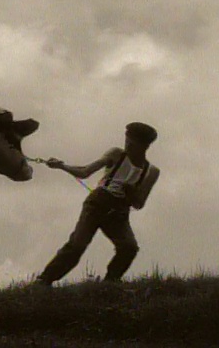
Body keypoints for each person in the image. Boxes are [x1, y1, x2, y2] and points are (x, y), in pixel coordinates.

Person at [35, 122, 160, 286]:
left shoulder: (151, 172)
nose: (127, 146)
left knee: (129, 247)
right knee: (77, 245)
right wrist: (62, 166)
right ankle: (44, 281)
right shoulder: (116, 154)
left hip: (119, 212)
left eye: (132, 143)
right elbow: (85, 171)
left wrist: (131, 193)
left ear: (145, 146)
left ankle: (111, 282)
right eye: (126, 141)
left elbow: (139, 203)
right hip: (97, 203)